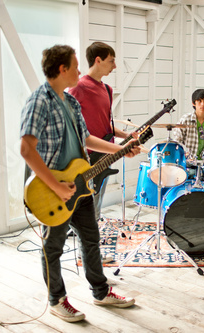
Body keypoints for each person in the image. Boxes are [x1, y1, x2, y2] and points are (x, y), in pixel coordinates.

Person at [20, 45, 139, 322]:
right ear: (62, 69)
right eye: (75, 66)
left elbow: (87, 139)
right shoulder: (39, 101)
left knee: (91, 239)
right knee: (53, 247)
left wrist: (121, 147)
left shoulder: (71, 102)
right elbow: (27, 149)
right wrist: (57, 186)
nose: (78, 70)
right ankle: (56, 300)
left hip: (80, 184)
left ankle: (100, 292)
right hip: (54, 190)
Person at [68, 41, 134, 221]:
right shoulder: (78, 87)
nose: (115, 66)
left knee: (97, 199)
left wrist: (125, 135)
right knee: (86, 201)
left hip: (106, 154)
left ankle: (93, 232)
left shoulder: (107, 89)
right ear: (98, 60)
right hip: (86, 158)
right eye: (111, 61)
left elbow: (105, 124)